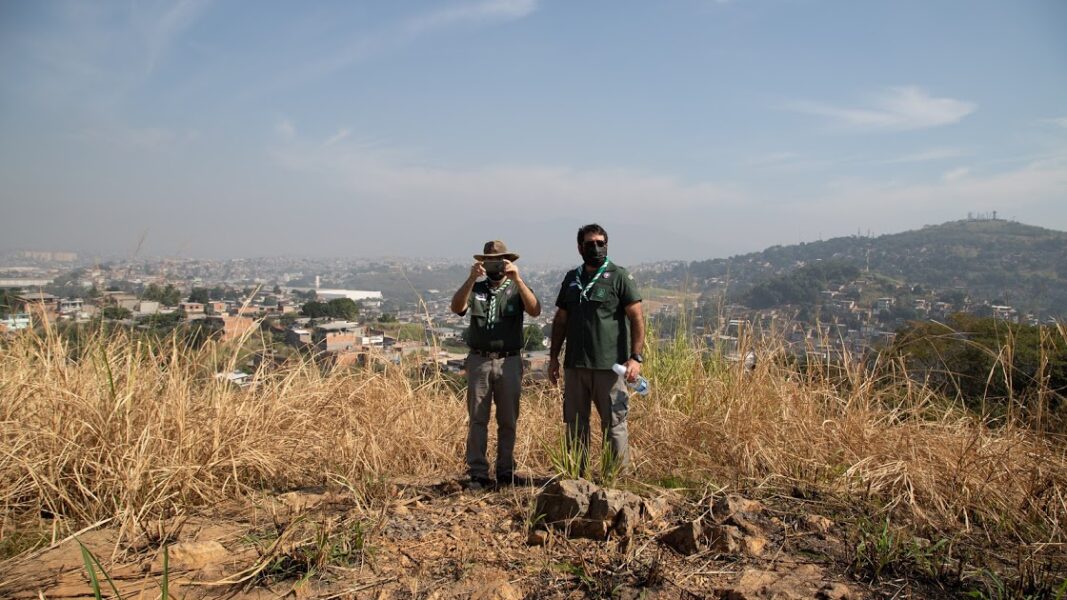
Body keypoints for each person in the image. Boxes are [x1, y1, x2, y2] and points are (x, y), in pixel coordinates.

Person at [549, 224, 644, 473]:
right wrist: (553, 358)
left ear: (607, 245)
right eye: (590, 244)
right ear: (580, 247)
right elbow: (561, 319)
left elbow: (636, 317)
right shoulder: (572, 278)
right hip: (576, 366)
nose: (596, 248)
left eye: (600, 243)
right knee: (575, 425)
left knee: (614, 425)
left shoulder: (619, 276)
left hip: (609, 367)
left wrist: (635, 358)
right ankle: (576, 478)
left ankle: (616, 479)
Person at [451, 240, 541, 489]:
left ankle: (506, 471)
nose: (496, 265)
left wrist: (519, 280)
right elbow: (457, 307)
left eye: (500, 260)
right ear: (482, 262)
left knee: (508, 419)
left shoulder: (516, 288)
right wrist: (470, 279)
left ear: (508, 261)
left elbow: (535, 310)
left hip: (509, 361)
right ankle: (478, 472)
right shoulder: (476, 289)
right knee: (478, 419)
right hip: (479, 360)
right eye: (490, 260)